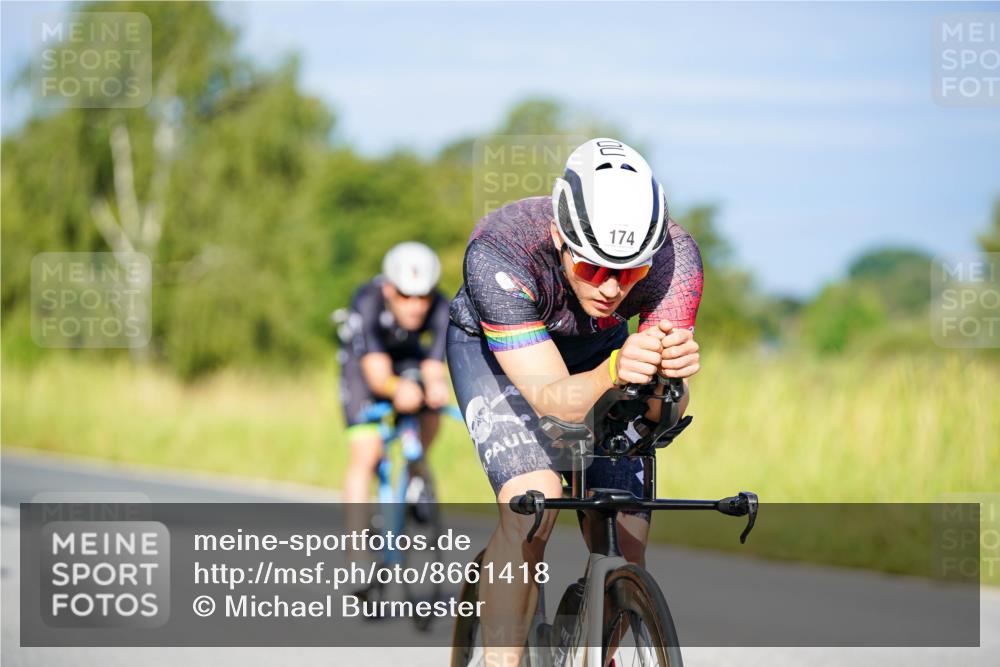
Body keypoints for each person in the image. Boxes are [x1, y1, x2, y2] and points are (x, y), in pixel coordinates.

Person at [447, 138, 704, 663]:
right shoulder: (501, 249)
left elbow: (661, 416)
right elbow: (553, 401)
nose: (612, 289)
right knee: (532, 506)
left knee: (625, 535)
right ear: (561, 238)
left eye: (628, 273)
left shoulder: (674, 262)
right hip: (500, 355)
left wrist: (668, 383)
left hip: (599, 355)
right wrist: (615, 369)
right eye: (593, 269)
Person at [337, 241, 451, 511]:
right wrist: (395, 387)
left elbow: (434, 365)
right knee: (366, 453)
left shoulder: (442, 306)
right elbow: (377, 374)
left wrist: (435, 388)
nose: (416, 306)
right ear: (389, 288)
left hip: (408, 357)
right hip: (363, 366)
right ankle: (357, 550)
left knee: (431, 408)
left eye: (424, 296)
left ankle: (417, 466)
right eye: (405, 295)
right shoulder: (368, 301)